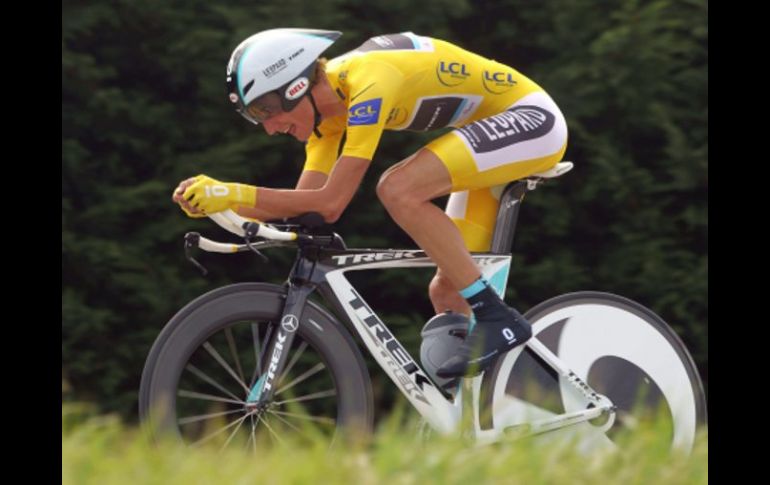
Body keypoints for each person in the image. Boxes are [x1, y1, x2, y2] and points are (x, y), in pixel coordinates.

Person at [172, 29, 568, 378]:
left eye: (265, 110)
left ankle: (497, 317)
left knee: (398, 188)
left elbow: (331, 203)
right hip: (487, 138)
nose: (269, 128)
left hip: (532, 120)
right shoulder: (325, 120)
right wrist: (216, 204)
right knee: (449, 291)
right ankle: (482, 408)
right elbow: (303, 208)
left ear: (296, 87)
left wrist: (233, 192)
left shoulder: (369, 82)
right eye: (254, 117)